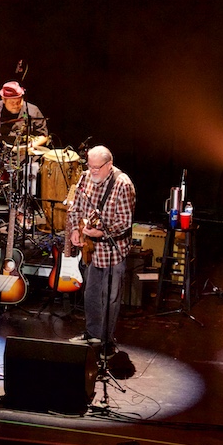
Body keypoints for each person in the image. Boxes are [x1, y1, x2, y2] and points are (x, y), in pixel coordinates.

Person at [67, 145, 136, 357]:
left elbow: (125, 223)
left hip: (113, 250)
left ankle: (107, 340)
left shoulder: (123, 184)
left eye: (97, 168)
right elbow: (74, 207)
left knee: (111, 297)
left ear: (109, 165)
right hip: (91, 249)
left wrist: (102, 234)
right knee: (91, 293)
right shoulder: (85, 178)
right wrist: (74, 231)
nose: (93, 171)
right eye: (90, 166)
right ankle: (92, 333)